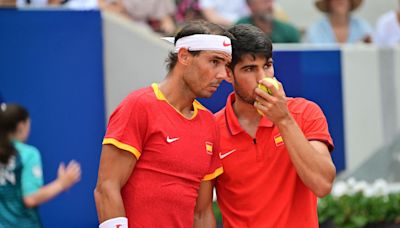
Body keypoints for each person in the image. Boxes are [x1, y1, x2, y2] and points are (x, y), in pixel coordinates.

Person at [94, 20, 234, 228]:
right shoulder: (139, 106)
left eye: (225, 65)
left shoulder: (209, 123)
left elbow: (202, 213)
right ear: (184, 56)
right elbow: (107, 187)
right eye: (214, 62)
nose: (222, 75)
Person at [196, 24, 336, 227]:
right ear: (228, 73)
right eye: (250, 69)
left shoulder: (305, 112)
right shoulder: (210, 129)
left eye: (267, 65)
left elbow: (322, 185)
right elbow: (201, 213)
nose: (263, 78)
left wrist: (284, 120)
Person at [0, 103, 81, 228]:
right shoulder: (28, 154)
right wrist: (62, 183)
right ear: (21, 126)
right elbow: (30, 198)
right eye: (28, 123)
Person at [305, 0, 372, 43]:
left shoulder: (363, 27)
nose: (340, 1)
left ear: (350, 2)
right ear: (328, 2)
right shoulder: (315, 29)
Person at [236, 0, 300, 43]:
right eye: (265, 1)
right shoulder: (240, 28)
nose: (270, 6)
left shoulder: (289, 31)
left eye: (271, 1)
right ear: (250, 6)